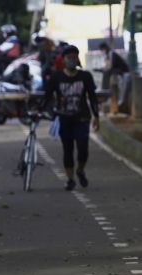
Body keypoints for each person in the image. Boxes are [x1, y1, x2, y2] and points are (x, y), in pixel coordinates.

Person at [42, 45, 100, 191]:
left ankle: (80, 170)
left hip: (82, 118)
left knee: (83, 148)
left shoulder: (85, 76)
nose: (71, 60)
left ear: (77, 58)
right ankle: (70, 179)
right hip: (64, 119)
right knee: (67, 149)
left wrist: (96, 116)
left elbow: (92, 98)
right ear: (64, 60)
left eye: (74, 57)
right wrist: (42, 110)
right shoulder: (57, 77)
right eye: (69, 58)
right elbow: (47, 96)